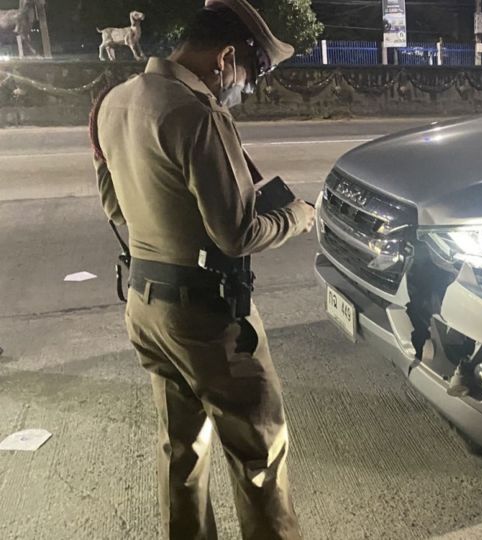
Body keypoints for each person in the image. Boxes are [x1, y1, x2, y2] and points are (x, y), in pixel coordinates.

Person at [91, 1, 314, 538]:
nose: (248, 88)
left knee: (181, 452)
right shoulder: (200, 113)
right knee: (260, 455)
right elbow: (237, 234)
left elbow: (116, 208)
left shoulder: (115, 101)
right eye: (253, 74)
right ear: (227, 57)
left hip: (146, 309)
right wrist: (299, 216)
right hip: (208, 321)